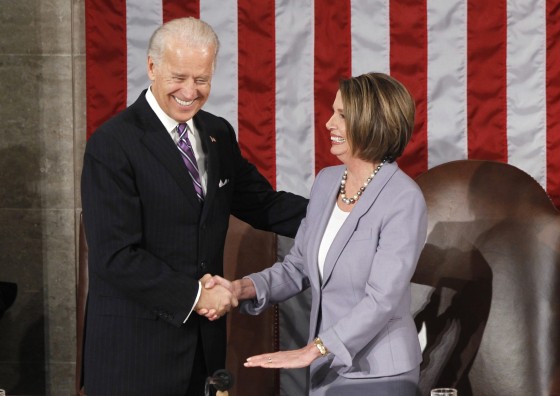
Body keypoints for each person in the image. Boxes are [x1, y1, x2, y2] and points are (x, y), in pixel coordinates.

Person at [80, 17, 307, 396]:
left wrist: (342, 219)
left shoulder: (217, 132)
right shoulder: (113, 143)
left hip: (203, 353)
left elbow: (262, 203)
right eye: (179, 77)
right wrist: (197, 296)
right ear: (152, 67)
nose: (190, 91)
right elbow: (115, 255)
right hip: (133, 354)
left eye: (201, 80)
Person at [204, 72, 427, 395]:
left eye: (342, 115)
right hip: (326, 366)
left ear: (372, 123)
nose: (328, 123)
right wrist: (241, 289)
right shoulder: (327, 181)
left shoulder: (403, 198)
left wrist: (313, 349)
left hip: (379, 373)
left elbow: (382, 299)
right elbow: (297, 267)